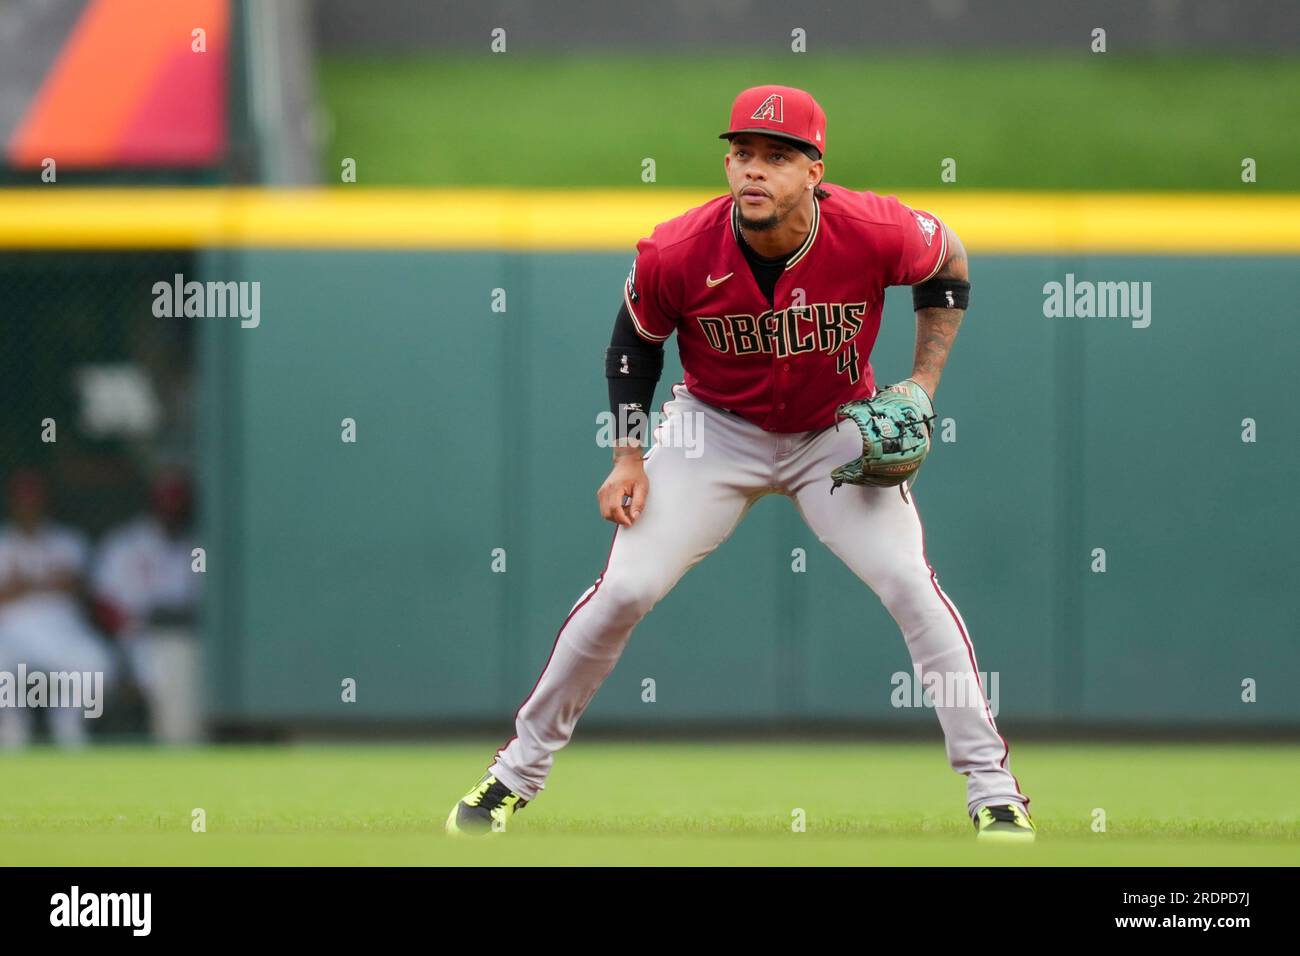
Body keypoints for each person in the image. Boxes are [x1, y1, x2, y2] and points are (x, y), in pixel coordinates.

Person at [447, 85, 1034, 842]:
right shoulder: (677, 249)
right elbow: (633, 345)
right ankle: (512, 775)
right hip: (713, 432)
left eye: (777, 157)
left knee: (909, 586)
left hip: (833, 431)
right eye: (742, 155)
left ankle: (993, 792)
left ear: (815, 169)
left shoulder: (873, 228)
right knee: (624, 588)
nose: (754, 171)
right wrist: (629, 454)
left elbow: (947, 257)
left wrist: (922, 385)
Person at [0, 469, 114, 748]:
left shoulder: (69, 540)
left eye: (34, 498)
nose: (29, 504)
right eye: (22, 499)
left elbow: (79, 588)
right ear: (12, 502)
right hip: (11, 633)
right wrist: (45, 582)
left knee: (97, 662)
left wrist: (23, 585)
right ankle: (12, 728)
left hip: (62, 632)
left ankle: (68, 724)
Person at [92, 469, 202, 743]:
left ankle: (188, 740)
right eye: (166, 502)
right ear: (153, 503)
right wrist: (128, 628)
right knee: (164, 669)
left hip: (191, 636)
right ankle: (173, 741)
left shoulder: (199, 545)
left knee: (187, 663)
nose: (172, 510)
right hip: (139, 637)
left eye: (178, 503)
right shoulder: (125, 543)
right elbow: (101, 601)